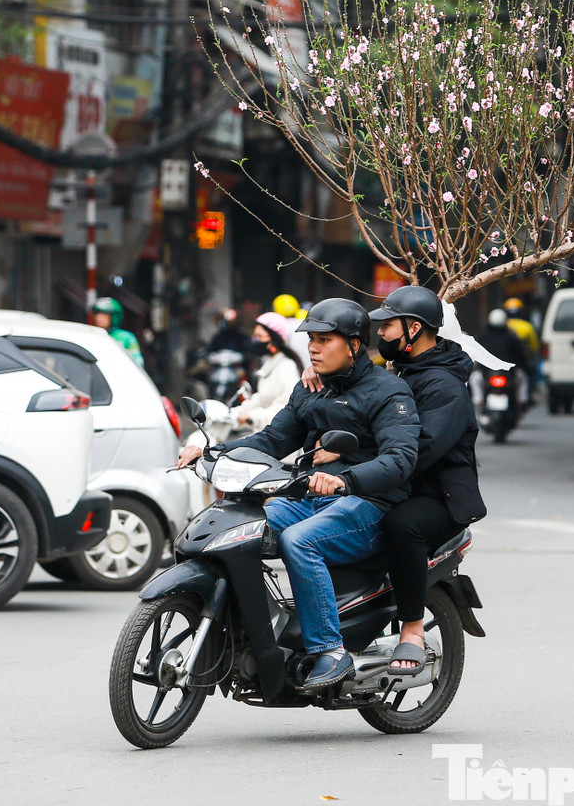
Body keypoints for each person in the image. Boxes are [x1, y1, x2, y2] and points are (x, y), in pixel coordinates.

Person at [178, 298, 420, 691]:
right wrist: (211, 450)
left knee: (299, 541)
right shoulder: (311, 389)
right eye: (311, 340)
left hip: (369, 505)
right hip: (309, 498)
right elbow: (273, 439)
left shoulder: (388, 392)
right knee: (238, 531)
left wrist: (345, 480)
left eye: (325, 340)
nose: (314, 348)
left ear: (354, 345)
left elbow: (400, 459)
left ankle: (330, 650)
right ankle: (254, 631)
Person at [359, 285, 486, 676]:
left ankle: (412, 628)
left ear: (413, 329)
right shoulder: (399, 370)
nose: (380, 334)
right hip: (395, 486)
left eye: (388, 327)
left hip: (437, 498)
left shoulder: (444, 387)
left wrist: (358, 467)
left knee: (403, 524)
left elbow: (419, 451)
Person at [232, 312, 304, 430]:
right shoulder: (269, 364)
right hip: (264, 433)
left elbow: (287, 407)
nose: (255, 340)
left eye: (259, 337)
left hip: (278, 436)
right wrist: (236, 412)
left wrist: (253, 416)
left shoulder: (286, 367)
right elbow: (262, 399)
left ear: (274, 339)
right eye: (254, 336)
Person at [474, 309, 531, 407]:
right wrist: (524, 366)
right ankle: (521, 402)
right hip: (508, 374)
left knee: (475, 378)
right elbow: (520, 356)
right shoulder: (512, 338)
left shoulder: (482, 338)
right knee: (523, 378)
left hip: (488, 374)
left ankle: (478, 401)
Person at [504, 297, 541, 403]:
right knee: (533, 373)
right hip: (521, 361)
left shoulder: (503, 325)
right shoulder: (527, 327)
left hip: (503, 360)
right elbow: (534, 346)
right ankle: (529, 395)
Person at [89, 297, 145, 368]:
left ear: (114, 317)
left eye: (104, 314)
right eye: (97, 314)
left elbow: (138, 363)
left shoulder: (127, 338)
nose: (99, 318)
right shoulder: (91, 335)